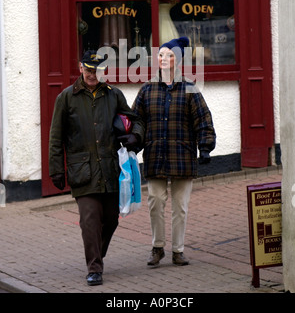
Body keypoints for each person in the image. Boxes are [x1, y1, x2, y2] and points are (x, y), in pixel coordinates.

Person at [49, 50, 144, 286]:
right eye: (89, 69)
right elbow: (55, 137)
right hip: (83, 171)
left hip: (111, 169)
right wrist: (56, 170)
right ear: (81, 68)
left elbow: (136, 120)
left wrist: (136, 136)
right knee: (90, 219)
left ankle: (97, 256)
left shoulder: (115, 95)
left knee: (111, 219)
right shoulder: (66, 97)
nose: (93, 75)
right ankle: (94, 268)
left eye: (98, 70)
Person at [132, 37, 216, 267]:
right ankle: (157, 247)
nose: (164, 59)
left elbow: (203, 119)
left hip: (182, 156)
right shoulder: (147, 89)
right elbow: (137, 120)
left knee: (180, 206)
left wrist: (205, 146)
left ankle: (178, 250)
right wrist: (133, 143)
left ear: (177, 60)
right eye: (161, 55)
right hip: (155, 155)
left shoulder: (189, 88)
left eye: (169, 55)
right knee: (155, 201)